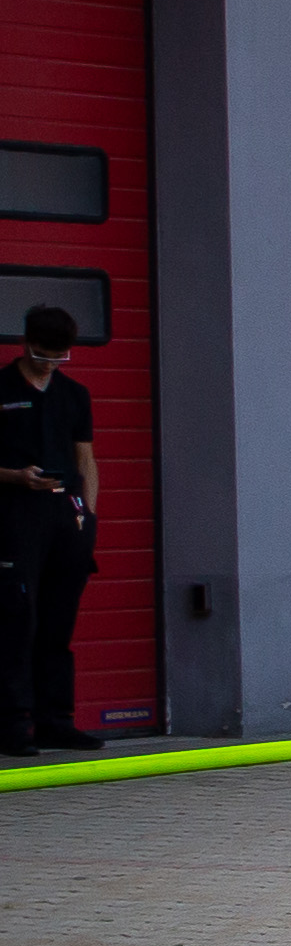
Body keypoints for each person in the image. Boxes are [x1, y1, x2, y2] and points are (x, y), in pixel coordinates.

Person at [0, 302, 95, 757]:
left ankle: (56, 720)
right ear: (26, 343)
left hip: (66, 517)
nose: (52, 365)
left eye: (60, 357)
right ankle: (14, 724)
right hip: (16, 513)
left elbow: (86, 460)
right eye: (43, 356)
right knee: (17, 620)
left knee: (59, 621)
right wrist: (16, 476)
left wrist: (87, 515)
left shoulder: (75, 394)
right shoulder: (1, 387)